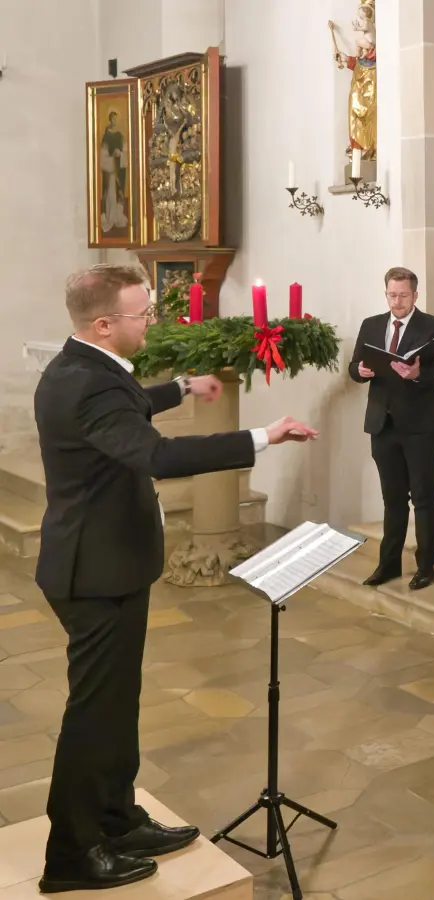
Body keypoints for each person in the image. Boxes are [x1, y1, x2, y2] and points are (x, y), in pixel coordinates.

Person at [34, 265, 315, 893]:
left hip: (108, 564)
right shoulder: (89, 387)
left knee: (117, 704)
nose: (151, 320)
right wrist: (261, 436)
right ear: (105, 325)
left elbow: (128, 401)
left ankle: (116, 816)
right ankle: (73, 853)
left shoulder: (85, 367)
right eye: (142, 314)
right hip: (94, 573)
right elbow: (156, 454)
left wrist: (183, 386)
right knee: (93, 714)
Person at [348, 266, 434, 590]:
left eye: (403, 295)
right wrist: (360, 370)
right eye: (392, 295)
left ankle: (425, 565)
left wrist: (417, 375)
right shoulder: (372, 325)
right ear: (386, 293)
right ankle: (389, 564)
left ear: (415, 295)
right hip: (383, 423)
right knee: (392, 498)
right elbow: (354, 367)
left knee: (423, 496)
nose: (397, 301)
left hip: (421, 424)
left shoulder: (432, 326)